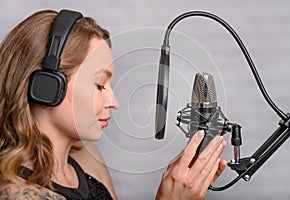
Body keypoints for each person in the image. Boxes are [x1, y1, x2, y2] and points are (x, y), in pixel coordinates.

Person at [0, 9, 227, 199]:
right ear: (46, 87)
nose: (114, 102)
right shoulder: (17, 194)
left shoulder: (88, 159)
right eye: (100, 84)